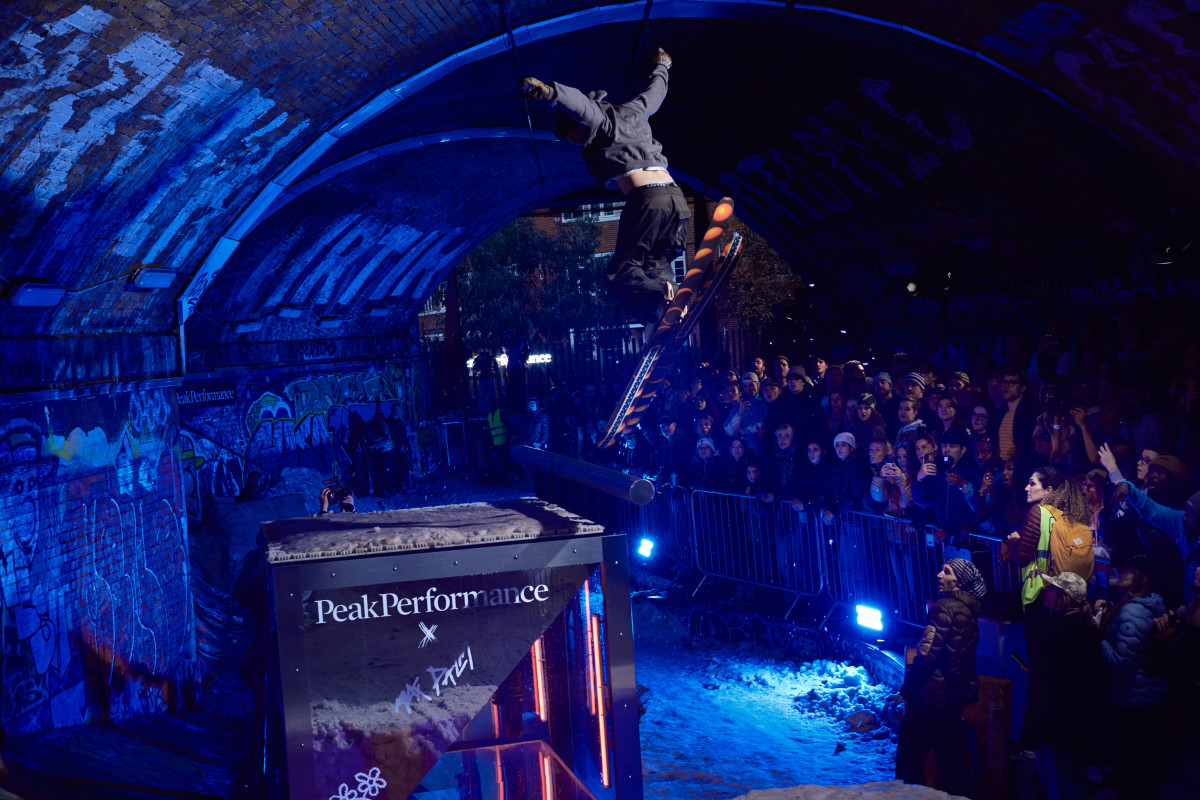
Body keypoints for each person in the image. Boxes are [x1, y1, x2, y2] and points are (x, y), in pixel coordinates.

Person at [522, 49, 686, 338]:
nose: (572, 143)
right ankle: (662, 310)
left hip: (647, 200)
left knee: (619, 274)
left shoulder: (596, 118)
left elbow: (579, 104)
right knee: (654, 263)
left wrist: (547, 93)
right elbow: (655, 93)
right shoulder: (634, 110)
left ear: (574, 127)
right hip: (675, 198)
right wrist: (663, 66)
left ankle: (659, 303)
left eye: (566, 138)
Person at [896, 558, 985, 799]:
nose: (939, 575)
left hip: (932, 696)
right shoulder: (969, 611)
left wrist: (908, 688)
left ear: (959, 582)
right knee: (950, 760)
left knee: (913, 757)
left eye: (947, 572)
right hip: (952, 699)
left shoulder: (943, 608)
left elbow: (926, 655)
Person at [1019, 572, 1101, 800]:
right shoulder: (1086, 628)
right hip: (1078, 723)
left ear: (1062, 598)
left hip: (1056, 725)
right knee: (1075, 777)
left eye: (1052, 588)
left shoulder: (1055, 634)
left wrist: (1033, 728)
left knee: (1059, 783)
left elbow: (1045, 687)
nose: (1046, 591)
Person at [1006, 465, 1093, 607]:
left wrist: (1013, 541)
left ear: (1048, 490)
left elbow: (1022, 558)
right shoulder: (1063, 515)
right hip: (1063, 594)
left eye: (1032, 483)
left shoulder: (1037, 512)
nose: (1026, 488)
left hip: (1039, 593)